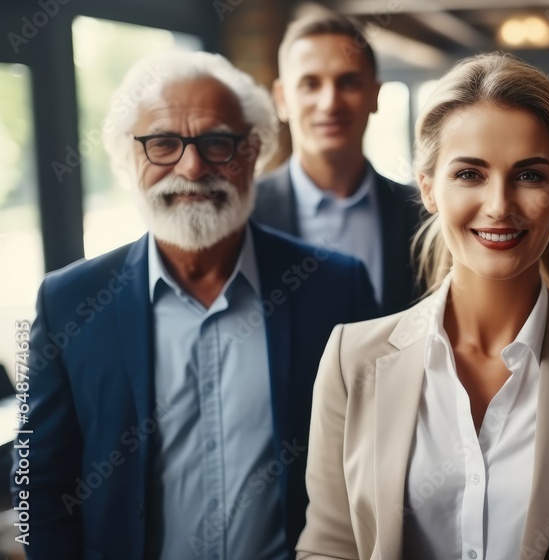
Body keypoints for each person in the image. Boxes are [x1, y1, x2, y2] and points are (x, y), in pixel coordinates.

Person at [295, 53, 549, 560]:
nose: (499, 204)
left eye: (530, 176)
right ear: (428, 188)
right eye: (470, 174)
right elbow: (330, 548)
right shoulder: (351, 359)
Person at [15, 51, 379, 560]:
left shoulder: (336, 288)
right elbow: (36, 479)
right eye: (163, 143)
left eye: (217, 142)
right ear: (129, 159)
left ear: (252, 153)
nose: (191, 166)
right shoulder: (66, 301)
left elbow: (374, 463)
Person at [253, 9, 424, 315]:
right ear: (281, 98)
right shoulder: (246, 212)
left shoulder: (421, 214)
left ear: (374, 95)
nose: (330, 103)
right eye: (310, 84)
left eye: (348, 82)